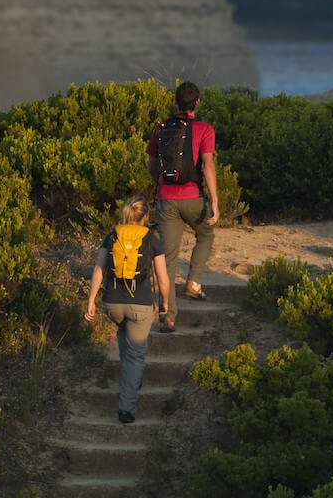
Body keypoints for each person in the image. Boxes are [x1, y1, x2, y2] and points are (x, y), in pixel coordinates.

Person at [85, 196, 173, 423]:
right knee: (135, 356)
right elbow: (163, 278)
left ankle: (131, 381)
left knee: (125, 339)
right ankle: (126, 409)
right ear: (145, 217)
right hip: (140, 305)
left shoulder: (112, 236)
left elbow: (99, 268)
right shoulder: (152, 239)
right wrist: (165, 304)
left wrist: (91, 300)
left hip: (112, 303)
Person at [147, 80, 218, 331]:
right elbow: (208, 166)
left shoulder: (161, 128)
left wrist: (160, 184)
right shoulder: (204, 129)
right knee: (206, 234)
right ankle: (193, 282)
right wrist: (215, 202)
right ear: (197, 102)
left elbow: (152, 164)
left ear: (176, 102)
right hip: (193, 198)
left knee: (167, 259)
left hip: (167, 199)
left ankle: (168, 316)